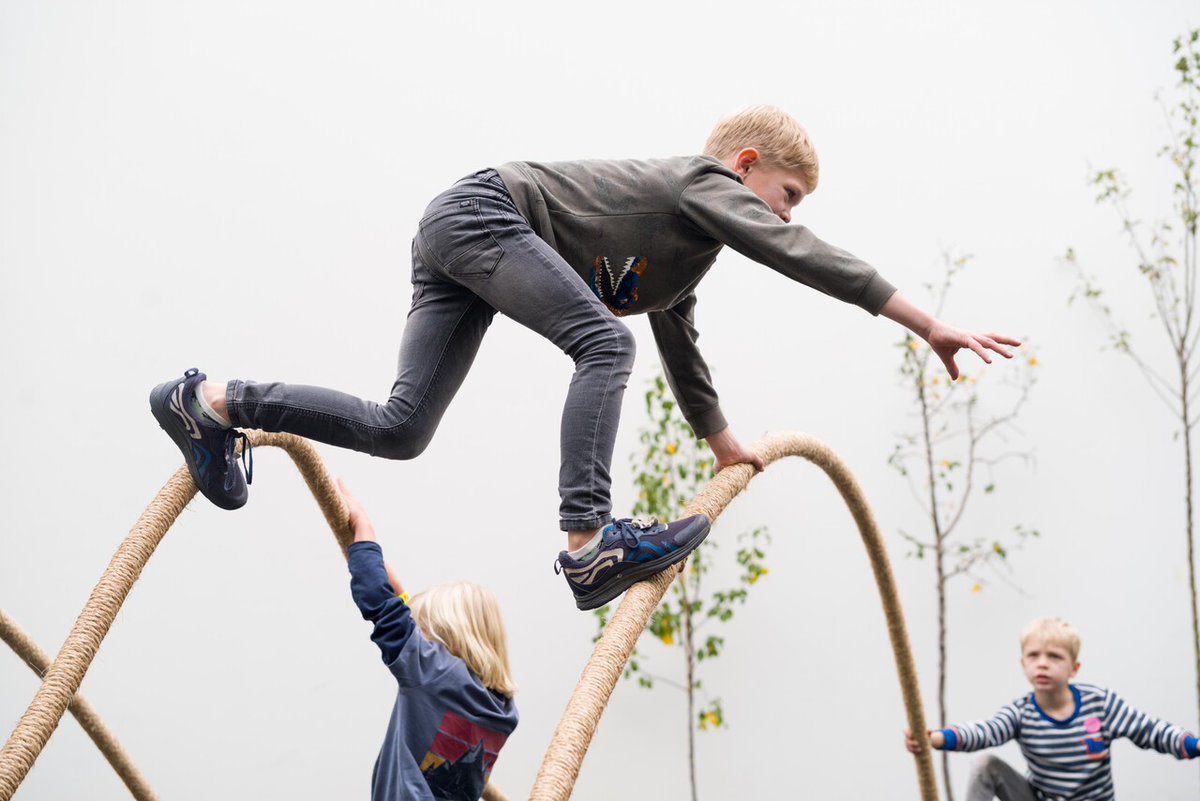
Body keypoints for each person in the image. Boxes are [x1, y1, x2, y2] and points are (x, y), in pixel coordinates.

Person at [149, 105, 1018, 610]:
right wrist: (924, 322)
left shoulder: (686, 257)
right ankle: (588, 541)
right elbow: (800, 255)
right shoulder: (700, 182)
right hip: (484, 214)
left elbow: (682, 346)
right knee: (604, 341)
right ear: (745, 166)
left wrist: (723, 445)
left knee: (402, 427)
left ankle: (212, 401)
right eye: (785, 195)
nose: (786, 216)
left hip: (459, 234)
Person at [341, 480, 517, 801]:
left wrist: (364, 529)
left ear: (447, 638)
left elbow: (377, 600)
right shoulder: (503, 712)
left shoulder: (434, 674)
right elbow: (409, 622)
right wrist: (401, 594)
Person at [904, 617, 1199, 800]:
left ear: (1074, 668)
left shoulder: (1099, 704)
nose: (1042, 663)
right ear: (1023, 665)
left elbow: (1149, 730)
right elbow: (985, 731)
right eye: (1033, 656)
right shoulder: (1021, 713)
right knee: (985, 765)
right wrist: (934, 738)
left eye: (1054, 656)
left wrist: (1192, 745)